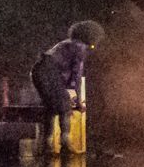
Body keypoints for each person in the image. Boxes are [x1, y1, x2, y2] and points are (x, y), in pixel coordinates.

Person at [33, 20, 102, 155]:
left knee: (51, 108)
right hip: (48, 72)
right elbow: (75, 78)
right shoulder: (79, 47)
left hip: (38, 70)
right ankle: (65, 144)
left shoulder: (65, 43)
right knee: (64, 107)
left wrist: (72, 99)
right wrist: (77, 101)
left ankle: (47, 145)